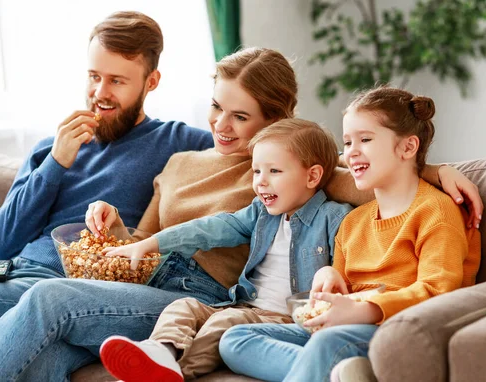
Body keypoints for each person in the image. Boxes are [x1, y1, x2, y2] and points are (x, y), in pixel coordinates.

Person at [0, 43, 481, 381]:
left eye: (240, 115)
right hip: (155, 278)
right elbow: (158, 236)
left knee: (49, 300)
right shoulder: (182, 158)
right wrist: (119, 231)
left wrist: (438, 169)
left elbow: (366, 176)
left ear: (275, 122)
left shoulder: (285, 173)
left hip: (212, 298)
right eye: (216, 108)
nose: (222, 126)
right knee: (57, 350)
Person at [0, 11, 213, 382]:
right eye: (94, 77)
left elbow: (251, 145)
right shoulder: (51, 147)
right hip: (7, 274)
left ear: (152, 81)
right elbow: (2, 243)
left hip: (61, 288)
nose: (100, 93)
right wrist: (56, 163)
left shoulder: (179, 142)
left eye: (117, 81)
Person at [218, 86, 482, 382]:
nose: (351, 151)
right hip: (343, 328)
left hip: (392, 328)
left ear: (408, 148)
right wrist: (330, 277)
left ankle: (332, 368)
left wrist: (365, 310)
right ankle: (340, 374)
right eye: (347, 141)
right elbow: (343, 289)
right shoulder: (354, 221)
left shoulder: (437, 211)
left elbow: (437, 291)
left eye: (365, 139)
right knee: (235, 339)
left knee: (326, 343)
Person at [98, 119, 353, 382]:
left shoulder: (334, 218)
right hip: (243, 304)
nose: (261, 182)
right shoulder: (262, 214)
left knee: (226, 322)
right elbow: (212, 228)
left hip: (286, 320)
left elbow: (348, 270)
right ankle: (160, 351)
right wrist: (151, 243)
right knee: (184, 307)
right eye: (256, 172)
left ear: (312, 176)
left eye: (274, 171)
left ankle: (177, 372)